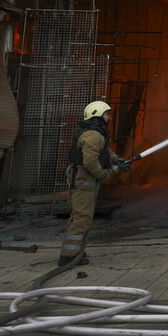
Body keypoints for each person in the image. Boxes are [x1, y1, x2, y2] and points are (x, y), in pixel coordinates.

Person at [58, 101, 128, 267]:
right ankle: (69, 256)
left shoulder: (94, 134)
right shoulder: (93, 135)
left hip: (83, 181)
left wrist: (117, 160)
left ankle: (74, 252)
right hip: (84, 181)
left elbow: (103, 151)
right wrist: (102, 174)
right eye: (106, 115)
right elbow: (90, 160)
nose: (108, 118)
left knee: (80, 216)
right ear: (97, 116)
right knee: (82, 217)